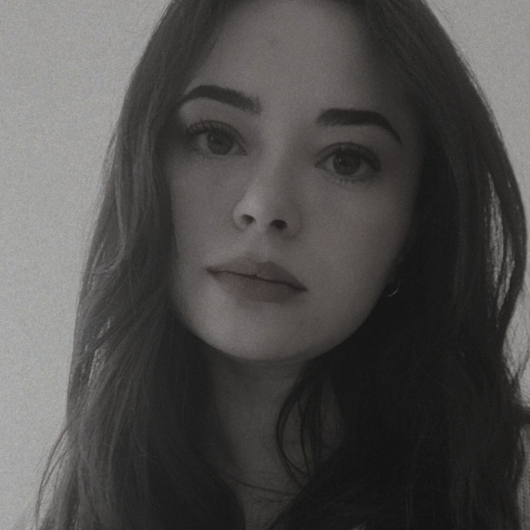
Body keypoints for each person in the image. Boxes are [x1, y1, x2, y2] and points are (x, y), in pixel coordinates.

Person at [35, 0, 529, 529]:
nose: (265, 206)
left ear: (417, 222)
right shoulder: (82, 506)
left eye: (346, 160)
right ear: (144, 165)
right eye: (217, 138)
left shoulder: (509, 492)